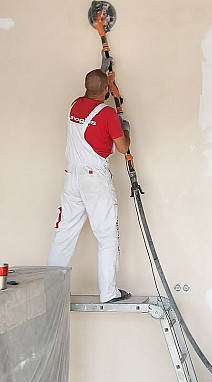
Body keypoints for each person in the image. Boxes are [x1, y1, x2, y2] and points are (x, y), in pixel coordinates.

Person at [48, 68, 131, 303]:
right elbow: (123, 147)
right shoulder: (107, 114)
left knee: (64, 234)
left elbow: (94, 95)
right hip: (95, 180)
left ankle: (52, 291)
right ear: (106, 90)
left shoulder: (74, 105)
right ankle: (108, 293)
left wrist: (107, 82)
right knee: (106, 237)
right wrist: (126, 130)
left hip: (72, 178)